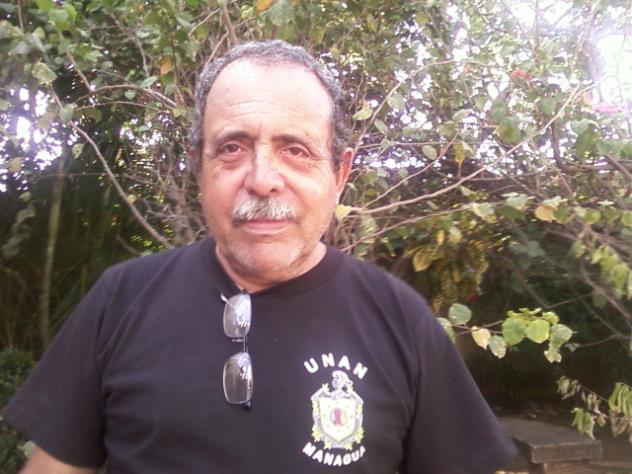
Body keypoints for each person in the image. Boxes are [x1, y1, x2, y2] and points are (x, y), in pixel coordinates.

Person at [3, 40, 517, 473]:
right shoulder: (121, 300)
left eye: (296, 149)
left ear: (338, 174)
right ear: (199, 168)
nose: (263, 179)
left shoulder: (401, 320)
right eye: (232, 148)